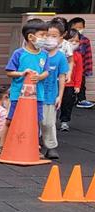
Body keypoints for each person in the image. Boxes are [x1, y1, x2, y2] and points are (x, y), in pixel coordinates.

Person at [0, 18, 49, 157]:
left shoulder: (44, 54)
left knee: (35, 121)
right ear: (31, 37)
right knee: (10, 120)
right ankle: (1, 146)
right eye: (42, 35)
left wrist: (40, 77)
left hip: (37, 95)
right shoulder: (19, 53)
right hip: (18, 94)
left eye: (46, 35)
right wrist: (21, 73)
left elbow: (46, 72)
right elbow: (9, 72)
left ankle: (34, 147)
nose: (45, 38)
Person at [37, 20, 69, 160]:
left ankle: (51, 146)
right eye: (47, 35)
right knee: (34, 121)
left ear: (61, 38)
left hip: (50, 95)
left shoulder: (60, 56)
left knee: (48, 122)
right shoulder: (39, 53)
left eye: (54, 36)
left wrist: (59, 96)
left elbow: (62, 77)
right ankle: (34, 145)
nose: (49, 38)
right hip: (35, 93)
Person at [61, 28, 84, 132]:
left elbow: (79, 72)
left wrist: (77, 85)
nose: (74, 43)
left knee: (68, 103)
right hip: (57, 83)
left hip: (70, 85)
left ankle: (64, 121)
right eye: (71, 40)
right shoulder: (60, 54)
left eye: (77, 41)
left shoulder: (78, 56)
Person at [67, 17, 93, 108]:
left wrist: (87, 69)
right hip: (69, 66)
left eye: (80, 27)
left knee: (81, 83)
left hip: (80, 66)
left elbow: (88, 55)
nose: (78, 29)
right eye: (76, 28)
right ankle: (69, 99)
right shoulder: (66, 39)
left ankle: (81, 100)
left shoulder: (85, 40)